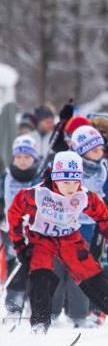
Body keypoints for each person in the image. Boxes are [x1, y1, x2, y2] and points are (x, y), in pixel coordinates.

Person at [7, 151, 108, 334]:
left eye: (76, 181)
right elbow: (14, 213)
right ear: (55, 179)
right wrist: (19, 245)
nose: (72, 187)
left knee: (94, 278)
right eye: (66, 182)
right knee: (41, 276)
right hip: (42, 239)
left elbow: (103, 217)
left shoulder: (84, 196)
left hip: (69, 239)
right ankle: (40, 326)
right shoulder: (36, 195)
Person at [3, 134, 41, 315]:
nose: (23, 161)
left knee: (36, 265)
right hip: (12, 228)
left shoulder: (40, 178)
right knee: (16, 262)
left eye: (27, 157)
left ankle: (35, 301)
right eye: (19, 157)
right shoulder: (5, 178)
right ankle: (14, 302)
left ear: (34, 157)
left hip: (36, 228)